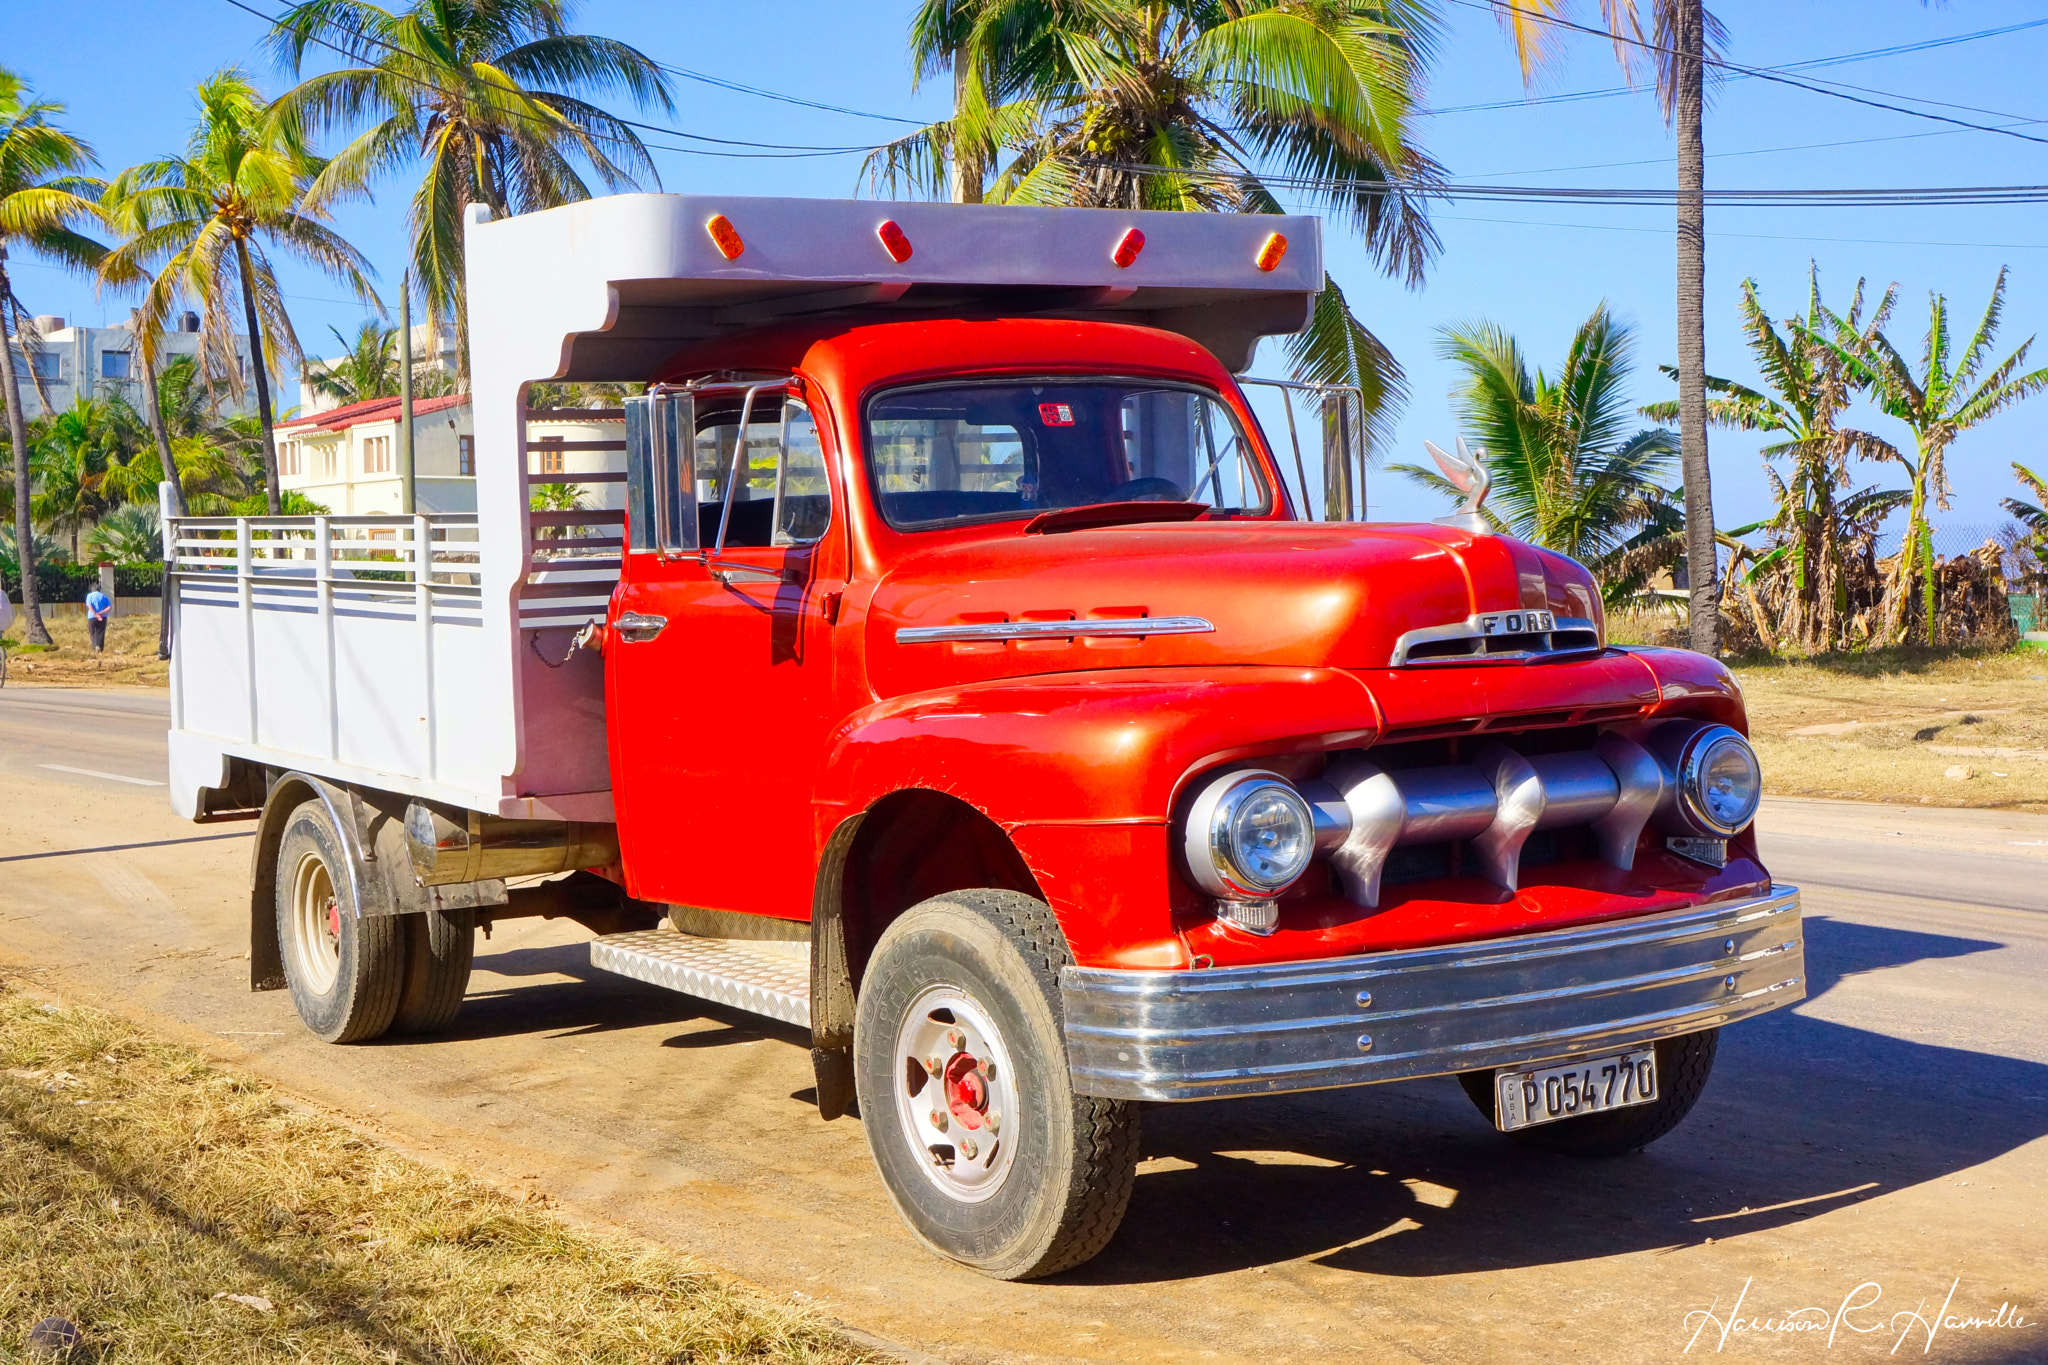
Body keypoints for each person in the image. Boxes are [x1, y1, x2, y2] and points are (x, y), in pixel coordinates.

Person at [85, 584, 112, 653]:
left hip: (92, 617)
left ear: (92, 589)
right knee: (101, 632)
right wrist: (101, 613)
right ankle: (100, 647)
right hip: (103, 617)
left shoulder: (90, 596)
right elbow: (109, 607)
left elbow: (89, 606)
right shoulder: (104, 596)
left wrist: (95, 614)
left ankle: (95, 646)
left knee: (92, 632)